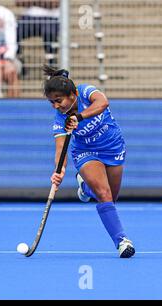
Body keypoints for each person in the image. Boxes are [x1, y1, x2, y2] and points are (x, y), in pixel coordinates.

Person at [44, 65, 135, 258]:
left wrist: (79, 116)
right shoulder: (60, 119)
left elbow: (103, 102)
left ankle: (84, 188)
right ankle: (122, 241)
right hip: (86, 152)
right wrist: (58, 171)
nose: (56, 106)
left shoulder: (85, 91)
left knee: (112, 197)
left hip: (113, 147)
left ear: (72, 94)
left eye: (58, 101)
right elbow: (61, 148)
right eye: (51, 102)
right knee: (104, 194)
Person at [16, 0, 60, 66]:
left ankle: (52, 65)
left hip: (51, 18)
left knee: (49, 34)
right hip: (28, 17)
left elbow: (54, 3)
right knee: (14, 32)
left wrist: (31, 2)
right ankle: (19, 62)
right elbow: (18, 2)